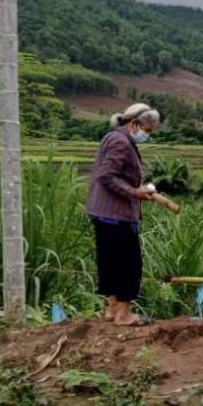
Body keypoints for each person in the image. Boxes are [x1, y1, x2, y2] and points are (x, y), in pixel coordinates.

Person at [85, 103, 161, 326]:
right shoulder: (121, 142)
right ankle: (124, 315)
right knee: (129, 263)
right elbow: (107, 175)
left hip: (102, 212)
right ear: (134, 124)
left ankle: (112, 309)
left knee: (110, 262)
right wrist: (135, 192)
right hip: (116, 213)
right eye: (147, 130)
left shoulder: (112, 137)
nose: (147, 134)